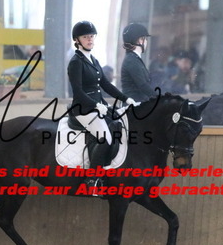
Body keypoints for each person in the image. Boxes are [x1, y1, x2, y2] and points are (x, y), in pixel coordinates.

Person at [67, 21, 137, 191]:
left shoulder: (93, 60)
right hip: (83, 109)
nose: (90, 39)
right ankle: (92, 179)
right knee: (105, 138)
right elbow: (78, 92)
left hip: (99, 106)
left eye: (92, 36)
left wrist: (126, 99)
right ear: (77, 40)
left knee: (121, 124)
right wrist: (96, 105)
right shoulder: (76, 62)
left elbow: (106, 85)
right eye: (86, 37)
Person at [120, 23, 156, 102]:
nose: (146, 42)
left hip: (140, 103)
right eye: (145, 39)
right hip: (134, 104)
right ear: (140, 40)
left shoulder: (135, 58)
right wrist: (160, 99)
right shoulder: (131, 60)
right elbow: (143, 85)